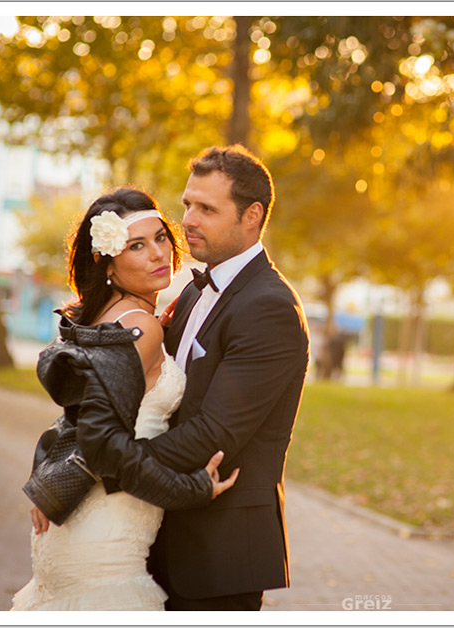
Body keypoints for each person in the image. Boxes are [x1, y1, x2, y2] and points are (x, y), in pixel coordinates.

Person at [11, 188, 239, 611]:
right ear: (109, 264)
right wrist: (190, 489)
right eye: (136, 245)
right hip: (106, 538)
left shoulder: (110, 318)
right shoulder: (138, 327)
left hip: (86, 524)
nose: (157, 253)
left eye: (160, 237)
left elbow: (79, 417)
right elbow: (101, 443)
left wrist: (46, 476)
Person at [143, 144, 310, 611]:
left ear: (252, 215)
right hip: (163, 540)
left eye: (207, 209)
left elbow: (214, 434)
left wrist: (109, 465)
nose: (188, 220)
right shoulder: (197, 292)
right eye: (187, 205)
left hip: (218, 556)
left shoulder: (269, 308)